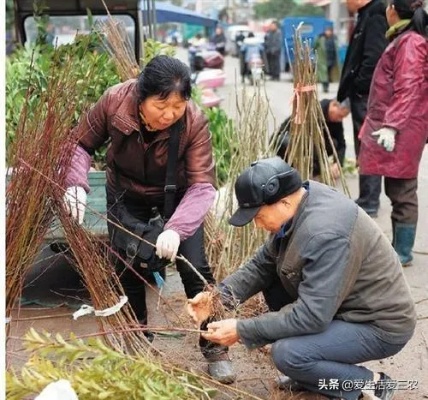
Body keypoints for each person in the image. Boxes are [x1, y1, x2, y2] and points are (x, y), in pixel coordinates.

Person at [63, 55, 235, 383]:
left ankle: (215, 347)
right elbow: (80, 144)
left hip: (179, 201)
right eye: (161, 105)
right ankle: (138, 342)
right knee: (126, 271)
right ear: (141, 96)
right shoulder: (114, 102)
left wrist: (176, 228)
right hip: (125, 196)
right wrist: (75, 183)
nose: (170, 114)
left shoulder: (194, 121)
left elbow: (202, 185)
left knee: (197, 270)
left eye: (178, 105)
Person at [187, 157, 416, 400]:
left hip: (378, 324)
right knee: (274, 283)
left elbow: (312, 316)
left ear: (283, 202)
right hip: (341, 306)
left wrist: (242, 330)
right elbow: (262, 265)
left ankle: (369, 384)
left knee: (288, 354)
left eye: (258, 216)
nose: (257, 225)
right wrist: (217, 299)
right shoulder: (302, 202)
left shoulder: (324, 234)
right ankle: (312, 374)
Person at [358, 0, 428, 266]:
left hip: (402, 128)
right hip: (401, 126)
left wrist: (392, 125)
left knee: (402, 190)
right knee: (396, 188)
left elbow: (408, 88)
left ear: (393, 10)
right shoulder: (405, 39)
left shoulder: (410, 42)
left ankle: (404, 251)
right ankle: (400, 246)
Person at [337, 0, 389, 217]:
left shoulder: (376, 15)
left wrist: (359, 88)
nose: (343, 2)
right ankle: (366, 196)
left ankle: (370, 200)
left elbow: (373, 58)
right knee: (363, 146)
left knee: (368, 146)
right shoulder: (365, 15)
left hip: (366, 96)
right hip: (361, 95)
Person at [272, 98, 349, 179]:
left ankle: (312, 168)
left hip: (311, 147)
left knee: (334, 143)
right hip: (288, 140)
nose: (340, 120)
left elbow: (341, 143)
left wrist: (337, 163)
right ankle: (292, 169)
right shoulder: (314, 111)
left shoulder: (336, 120)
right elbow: (313, 145)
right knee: (292, 145)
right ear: (334, 105)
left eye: (343, 117)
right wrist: (324, 168)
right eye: (340, 116)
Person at [314, 26, 340, 93]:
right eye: (327, 31)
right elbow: (314, 47)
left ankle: (327, 85)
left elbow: (337, 48)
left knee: (328, 73)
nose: (328, 32)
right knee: (324, 74)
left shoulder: (334, 38)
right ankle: (325, 87)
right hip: (323, 59)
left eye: (330, 31)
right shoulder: (320, 38)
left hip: (331, 59)